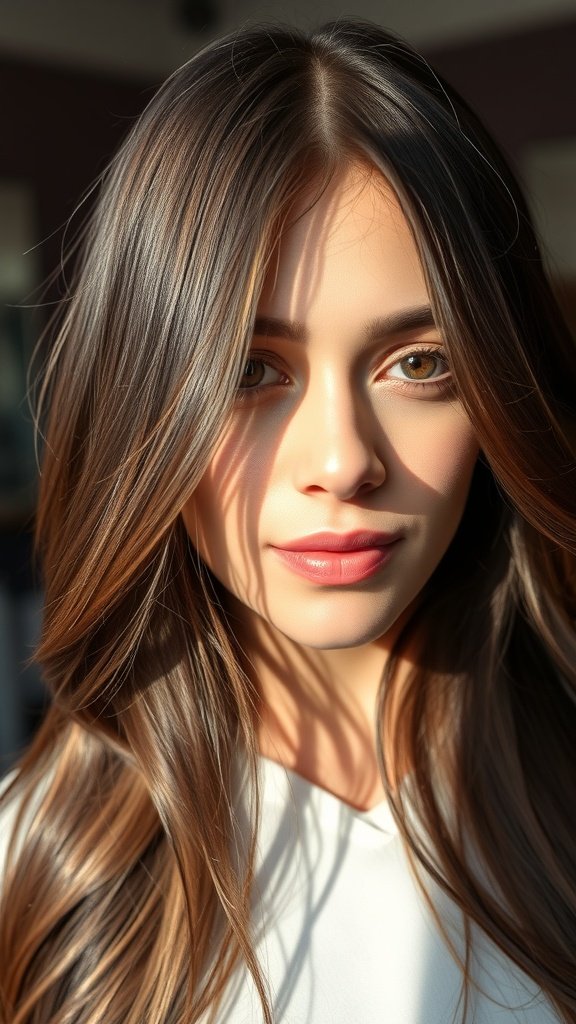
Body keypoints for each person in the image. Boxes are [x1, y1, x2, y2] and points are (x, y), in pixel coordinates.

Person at [0, 18, 574, 1024]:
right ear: (144, 403)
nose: (343, 460)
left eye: (419, 364)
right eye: (248, 372)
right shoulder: (29, 873)